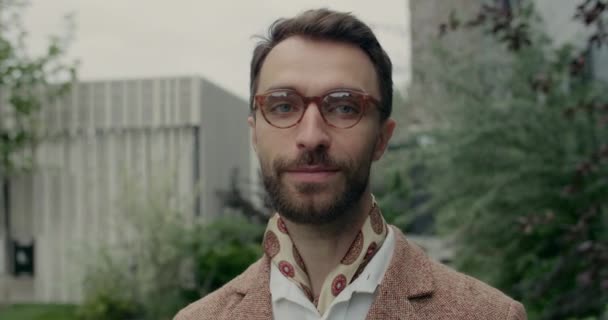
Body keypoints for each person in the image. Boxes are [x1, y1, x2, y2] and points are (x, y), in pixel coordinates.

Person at [174, 8, 527, 320]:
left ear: (382, 139)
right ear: (255, 135)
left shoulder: (489, 315)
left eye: (344, 106)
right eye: (283, 105)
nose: (311, 136)